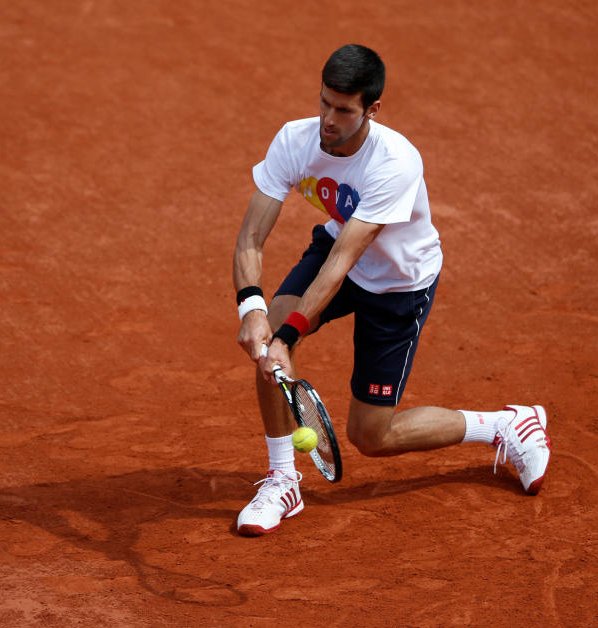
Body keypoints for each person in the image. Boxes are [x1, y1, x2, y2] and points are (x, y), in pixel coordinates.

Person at [232, 44, 551, 537]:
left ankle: (506, 426)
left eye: (344, 110)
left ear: (372, 110)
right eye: (323, 103)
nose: (328, 120)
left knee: (371, 436)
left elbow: (342, 266)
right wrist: (252, 308)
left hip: (398, 285)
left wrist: (287, 337)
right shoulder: (295, 141)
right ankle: (283, 478)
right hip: (337, 247)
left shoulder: (396, 162)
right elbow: (252, 236)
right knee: (266, 337)